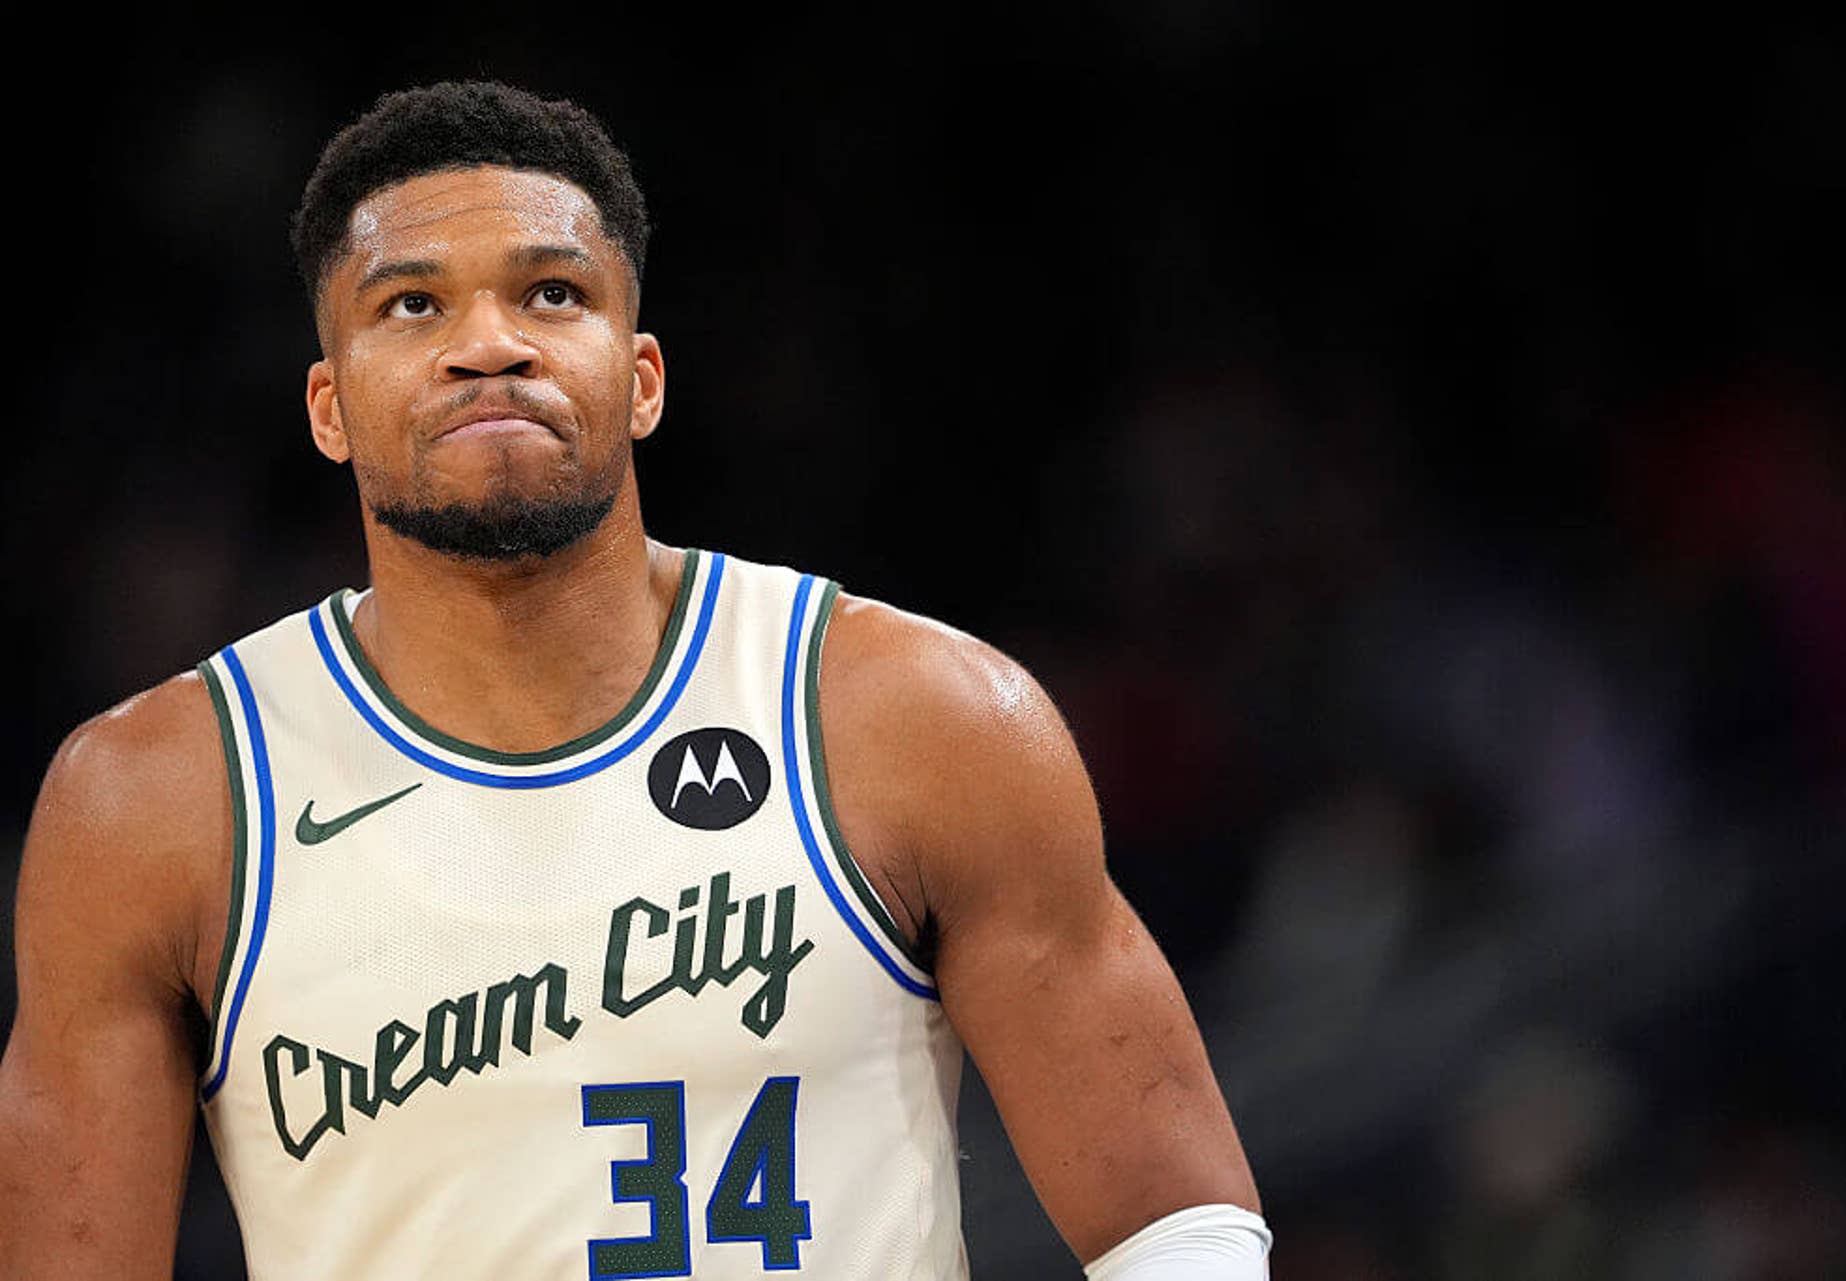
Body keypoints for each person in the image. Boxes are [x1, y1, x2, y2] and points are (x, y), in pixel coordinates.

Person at [0, 81, 1268, 1278]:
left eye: (551, 293)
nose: (487, 344)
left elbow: (1178, 1221)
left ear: (642, 376)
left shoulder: (913, 717)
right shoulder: (156, 804)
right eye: (412, 306)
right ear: (330, 409)